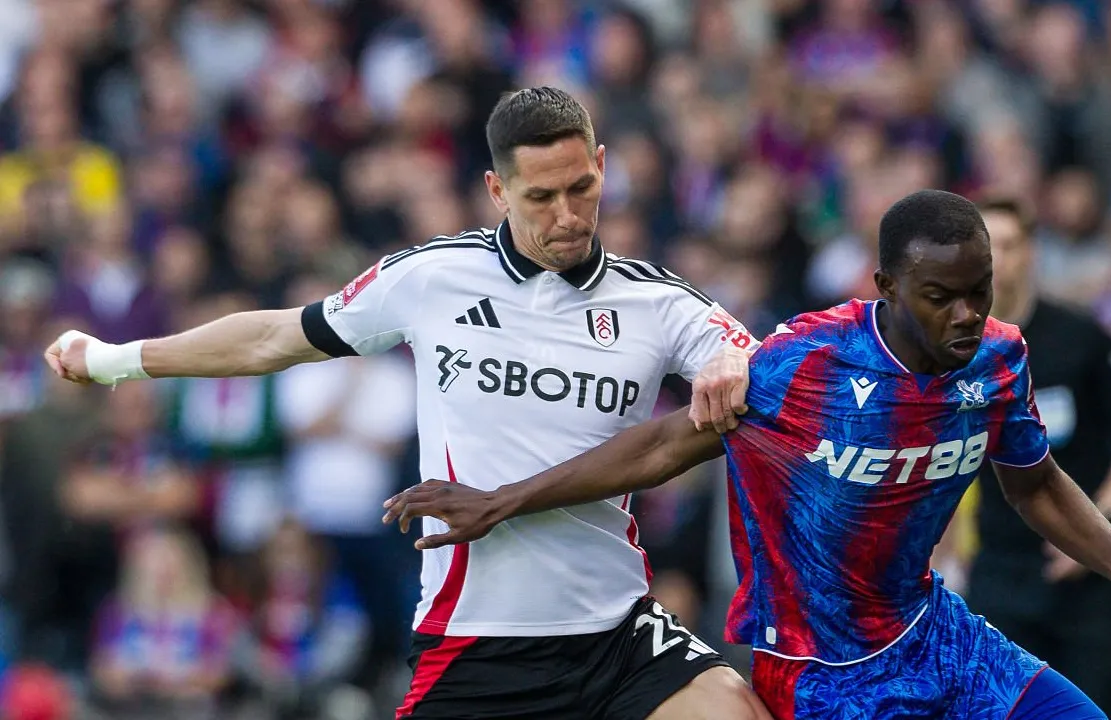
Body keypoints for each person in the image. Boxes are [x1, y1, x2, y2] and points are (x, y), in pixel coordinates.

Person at [45, 86, 771, 720]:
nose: (567, 216)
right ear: (497, 190)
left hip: (619, 632)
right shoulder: (433, 278)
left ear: (603, 165)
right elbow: (273, 337)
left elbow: (768, 370)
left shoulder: (658, 302)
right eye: (540, 198)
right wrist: (113, 359)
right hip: (476, 641)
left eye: (581, 188)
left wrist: (732, 365)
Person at [384, 190, 1111, 719]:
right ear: (886, 288)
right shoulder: (805, 365)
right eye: (942, 297)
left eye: (980, 292)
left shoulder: (1000, 357)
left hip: (938, 636)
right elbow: (666, 443)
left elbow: (1035, 485)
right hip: (819, 675)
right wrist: (503, 499)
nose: (967, 315)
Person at [957, 198, 1111, 719]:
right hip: (1002, 571)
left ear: (1031, 252)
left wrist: (1095, 523)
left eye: (1009, 245)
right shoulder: (956, 352)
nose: (998, 261)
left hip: (1090, 578)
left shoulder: (1082, 339)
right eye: (986, 249)